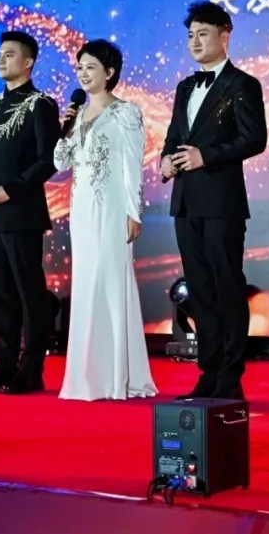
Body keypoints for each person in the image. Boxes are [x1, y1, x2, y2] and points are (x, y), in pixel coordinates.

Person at [161, 2, 267, 401]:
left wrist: (207, 156)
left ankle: (230, 377)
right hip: (185, 201)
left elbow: (254, 139)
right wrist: (166, 159)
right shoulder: (185, 88)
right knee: (200, 291)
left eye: (202, 34)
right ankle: (208, 373)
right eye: (190, 35)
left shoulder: (242, 84)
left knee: (226, 287)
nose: (194, 42)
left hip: (222, 202)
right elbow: (174, 136)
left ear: (225, 36)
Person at [54, 39, 157, 401]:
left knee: (112, 281)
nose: (83, 74)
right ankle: (88, 375)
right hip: (82, 209)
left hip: (112, 207)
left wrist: (134, 212)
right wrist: (65, 128)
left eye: (91, 67)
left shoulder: (125, 113)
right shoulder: (78, 114)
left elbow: (132, 165)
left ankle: (118, 377)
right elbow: (60, 163)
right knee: (87, 283)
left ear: (110, 72)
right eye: (80, 67)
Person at [0, 30, 60, 395]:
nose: (1, 60)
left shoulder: (41, 104)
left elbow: (48, 159)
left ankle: (31, 369)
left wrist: (13, 189)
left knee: (29, 294)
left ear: (28, 62)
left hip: (22, 213)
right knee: (1, 294)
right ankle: (2, 365)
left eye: (9, 54)